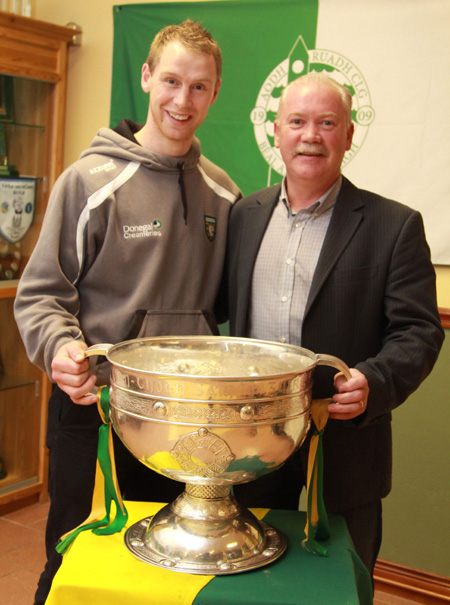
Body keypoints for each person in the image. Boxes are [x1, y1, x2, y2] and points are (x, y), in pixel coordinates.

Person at [14, 19, 240, 604]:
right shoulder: (86, 182)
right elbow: (42, 293)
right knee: (75, 560)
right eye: (170, 80)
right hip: (95, 408)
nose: (181, 100)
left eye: (198, 87)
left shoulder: (225, 195)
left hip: (183, 420)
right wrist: (61, 349)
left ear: (215, 93)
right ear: (146, 77)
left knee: (166, 571)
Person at [229, 72, 444, 579]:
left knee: (346, 579)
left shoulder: (395, 225)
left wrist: (378, 380)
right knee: (253, 575)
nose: (311, 135)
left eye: (328, 123)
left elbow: (419, 331)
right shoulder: (243, 216)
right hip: (254, 439)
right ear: (275, 132)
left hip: (348, 444)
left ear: (348, 136)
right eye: (298, 122)